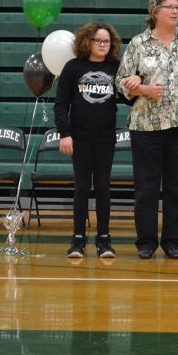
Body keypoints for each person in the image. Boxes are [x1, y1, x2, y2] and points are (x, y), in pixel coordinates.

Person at [116, 0, 178, 260]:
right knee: (146, 186)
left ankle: (174, 241)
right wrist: (141, 89)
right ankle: (145, 241)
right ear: (154, 11)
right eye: (169, 6)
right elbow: (121, 81)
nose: (175, 11)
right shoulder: (138, 43)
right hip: (146, 126)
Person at [55, 22, 123, 259]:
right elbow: (61, 104)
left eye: (107, 41)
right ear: (87, 42)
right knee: (82, 188)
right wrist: (64, 133)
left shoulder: (116, 67)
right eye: (98, 41)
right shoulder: (73, 67)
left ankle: (104, 239)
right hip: (80, 137)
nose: (103, 45)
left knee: (104, 187)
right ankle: (78, 239)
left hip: (105, 137)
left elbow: (129, 98)